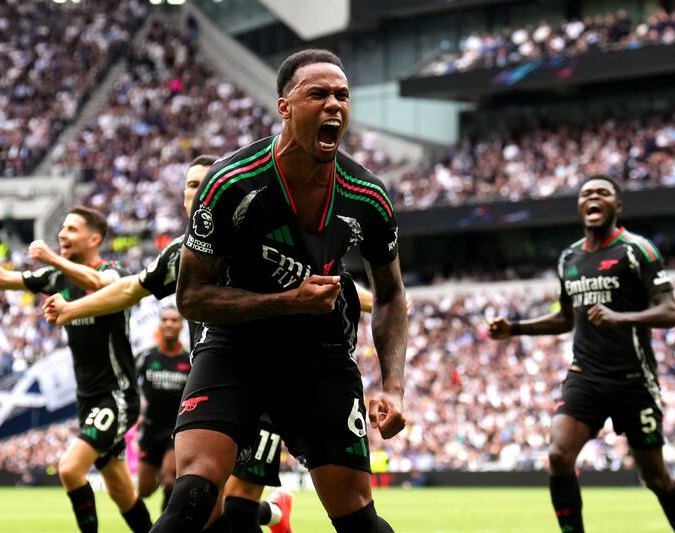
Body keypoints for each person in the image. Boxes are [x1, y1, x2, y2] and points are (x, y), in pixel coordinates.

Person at [155, 48, 408, 533]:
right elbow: (191, 297)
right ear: (285, 106)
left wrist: (393, 387)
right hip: (235, 345)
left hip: (321, 353)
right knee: (194, 492)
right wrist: (287, 301)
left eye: (342, 95)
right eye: (318, 94)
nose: (334, 104)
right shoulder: (230, 183)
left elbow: (393, 294)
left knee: (357, 516)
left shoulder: (368, 196)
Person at [43, 156, 294, 533]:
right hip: (218, 385)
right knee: (206, 506)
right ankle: (275, 515)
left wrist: (382, 300)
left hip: (268, 387)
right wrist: (70, 308)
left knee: (234, 510)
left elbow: (322, 278)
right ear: (183, 198)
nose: (198, 191)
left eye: (206, 183)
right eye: (191, 185)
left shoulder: (258, 236)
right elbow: (129, 289)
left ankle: (274, 513)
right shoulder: (181, 252)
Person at [489, 175, 675, 533]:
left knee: (655, 477)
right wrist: (516, 328)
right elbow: (566, 318)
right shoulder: (569, 257)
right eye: (587, 193)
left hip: (633, 381)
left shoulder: (636, 250)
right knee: (558, 455)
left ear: (618, 205)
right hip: (586, 377)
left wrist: (621, 317)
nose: (594, 197)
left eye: (603, 192)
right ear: (580, 205)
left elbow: (671, 312)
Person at [0, 207, 152, 533]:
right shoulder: (57, 279)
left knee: (70, 469)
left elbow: (101, 283)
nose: (62, 234)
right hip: (87, 398)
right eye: (62, 228)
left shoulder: (114, 270)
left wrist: (51, 257)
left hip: (116, 395)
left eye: (71, 229)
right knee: (120, 490)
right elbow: (0, 279)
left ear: (94, 238)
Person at [135, 306, 191, 510]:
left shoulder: (190, 360)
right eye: (165, 320)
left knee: (170, 479)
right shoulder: (146, 357)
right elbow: (131, 387)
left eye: (174, 320)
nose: (169, 324)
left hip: (176, 428)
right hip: (150, 428)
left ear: (181, 325)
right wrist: (138, 413)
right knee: (145, 489)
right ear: (159, 324)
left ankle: (165, 524)